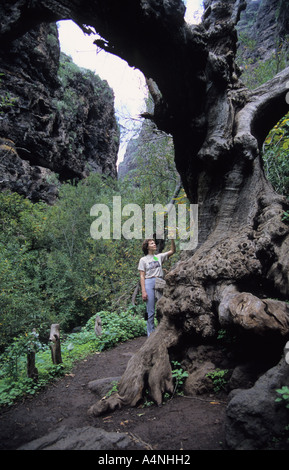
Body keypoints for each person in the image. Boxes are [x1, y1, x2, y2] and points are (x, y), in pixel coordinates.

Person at [138, 238, 175, 336]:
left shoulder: (158, 257)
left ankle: (163, 331)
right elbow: (142, 276)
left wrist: (172, 239)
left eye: (154, 243)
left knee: (163, 306)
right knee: (150, 310)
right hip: (149, 282)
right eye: (152, 243)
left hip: (160, 281)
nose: (154, 244)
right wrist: (143, 291)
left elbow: (172, 251)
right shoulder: (143, 260)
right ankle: (151, 334)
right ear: (147, 247)